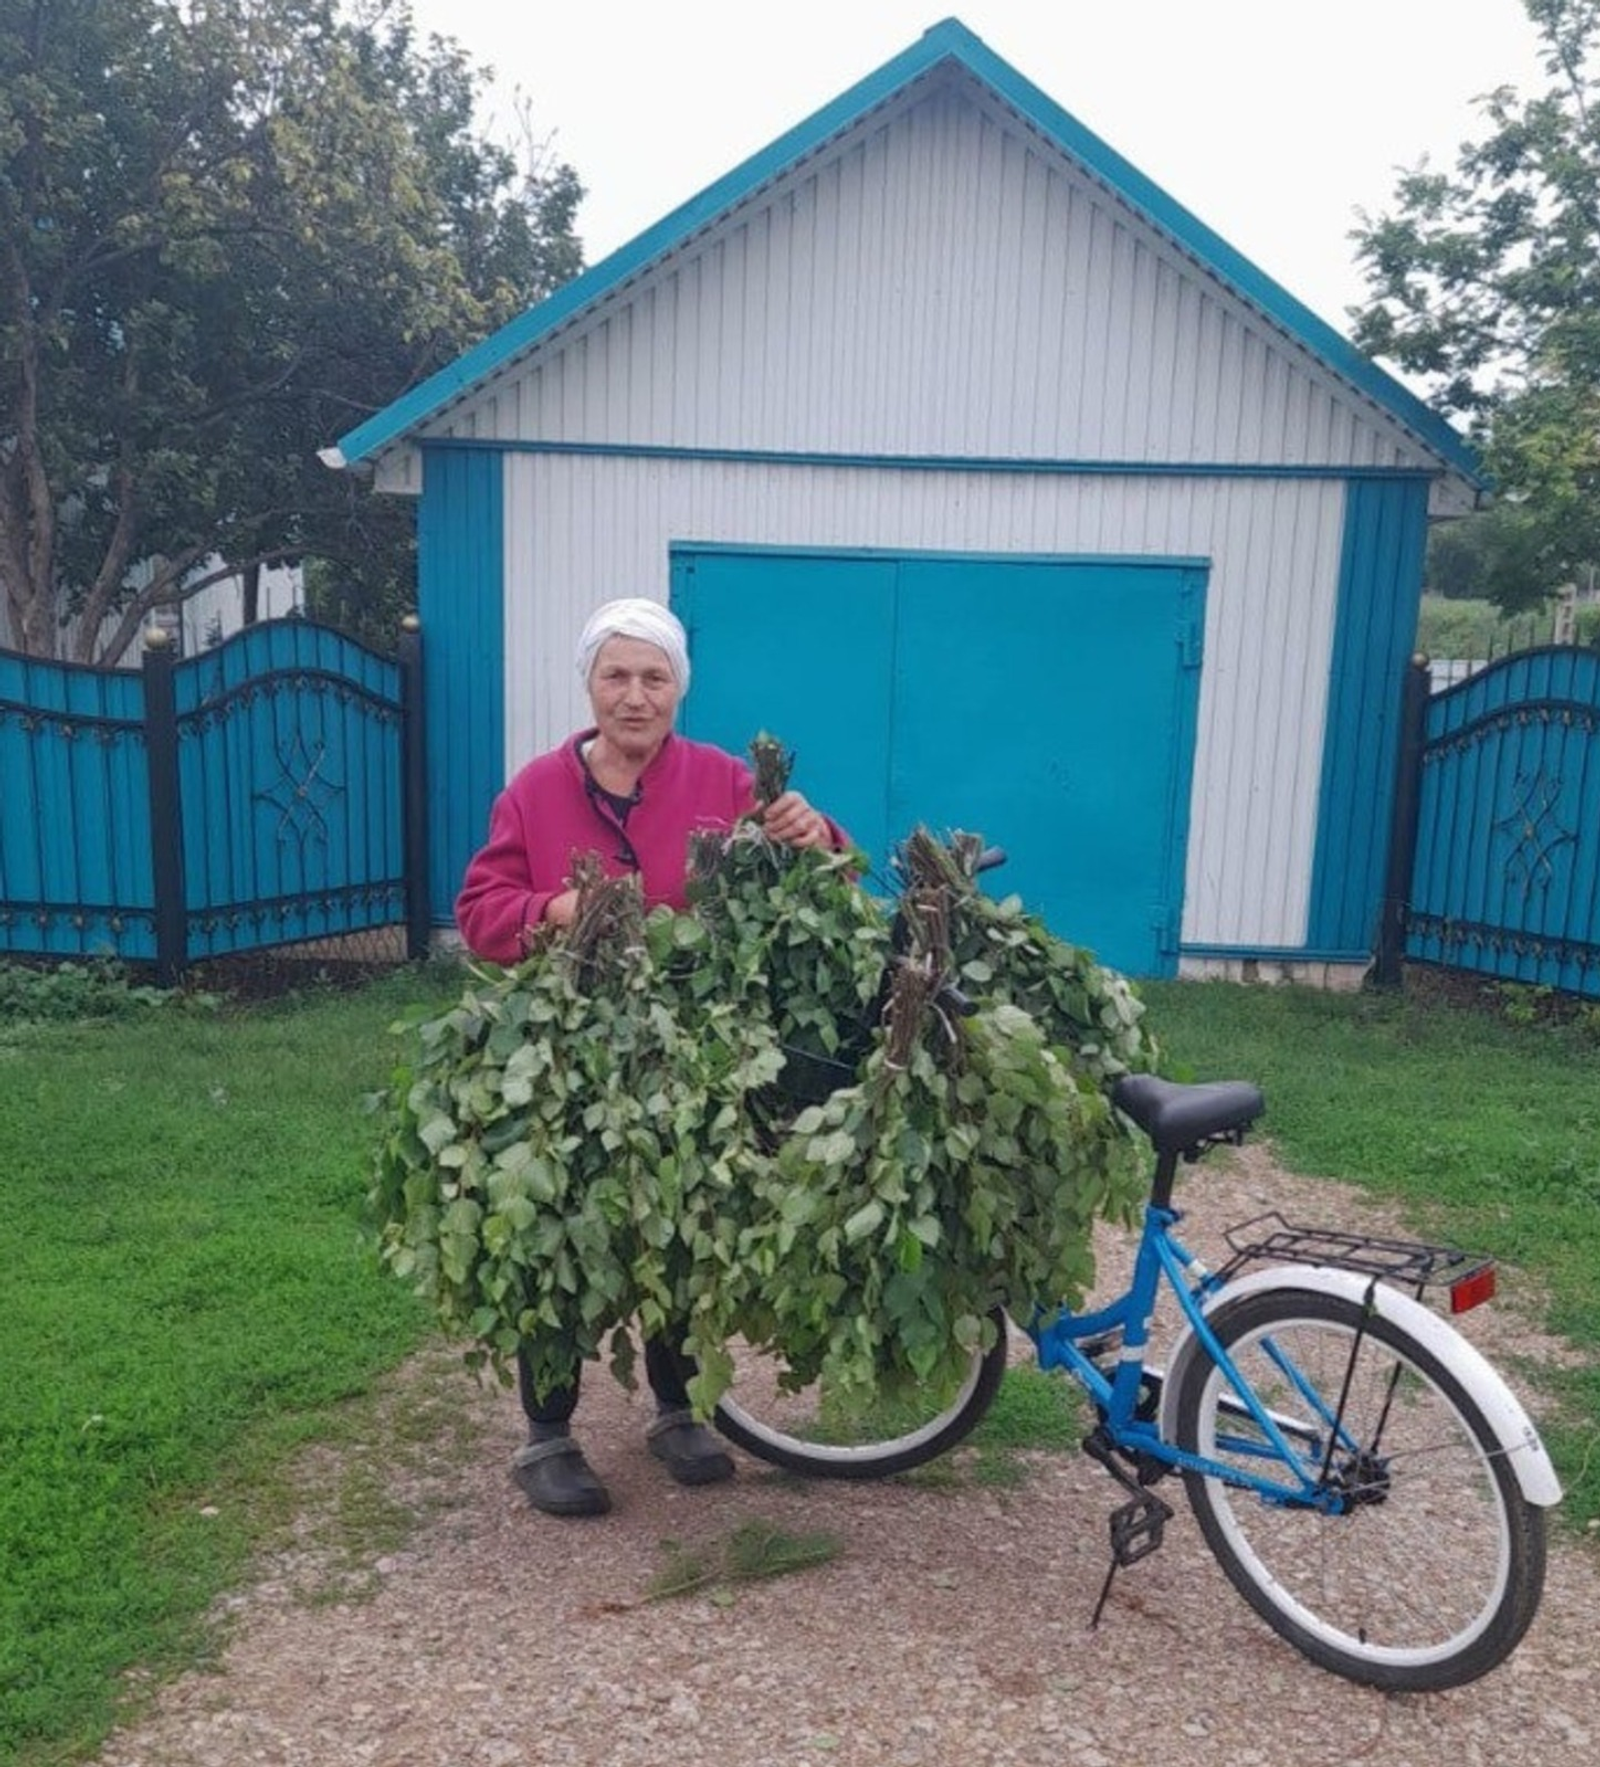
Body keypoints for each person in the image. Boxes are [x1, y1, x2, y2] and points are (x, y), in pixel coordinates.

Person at [455, 597, 844, 1517]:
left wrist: (814, 834)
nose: (635, 695)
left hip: (696, 1045)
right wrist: (549, 913)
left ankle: (674, 1412)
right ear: (590, 685)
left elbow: (830, 877)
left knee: (683, 1223)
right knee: (560, 1226)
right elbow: (479, 909)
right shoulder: (537, 790)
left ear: (678, 689)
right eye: (616, 676)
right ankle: (547, 1433)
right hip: (572, 1050)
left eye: (654, 677)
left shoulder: (722, 780)